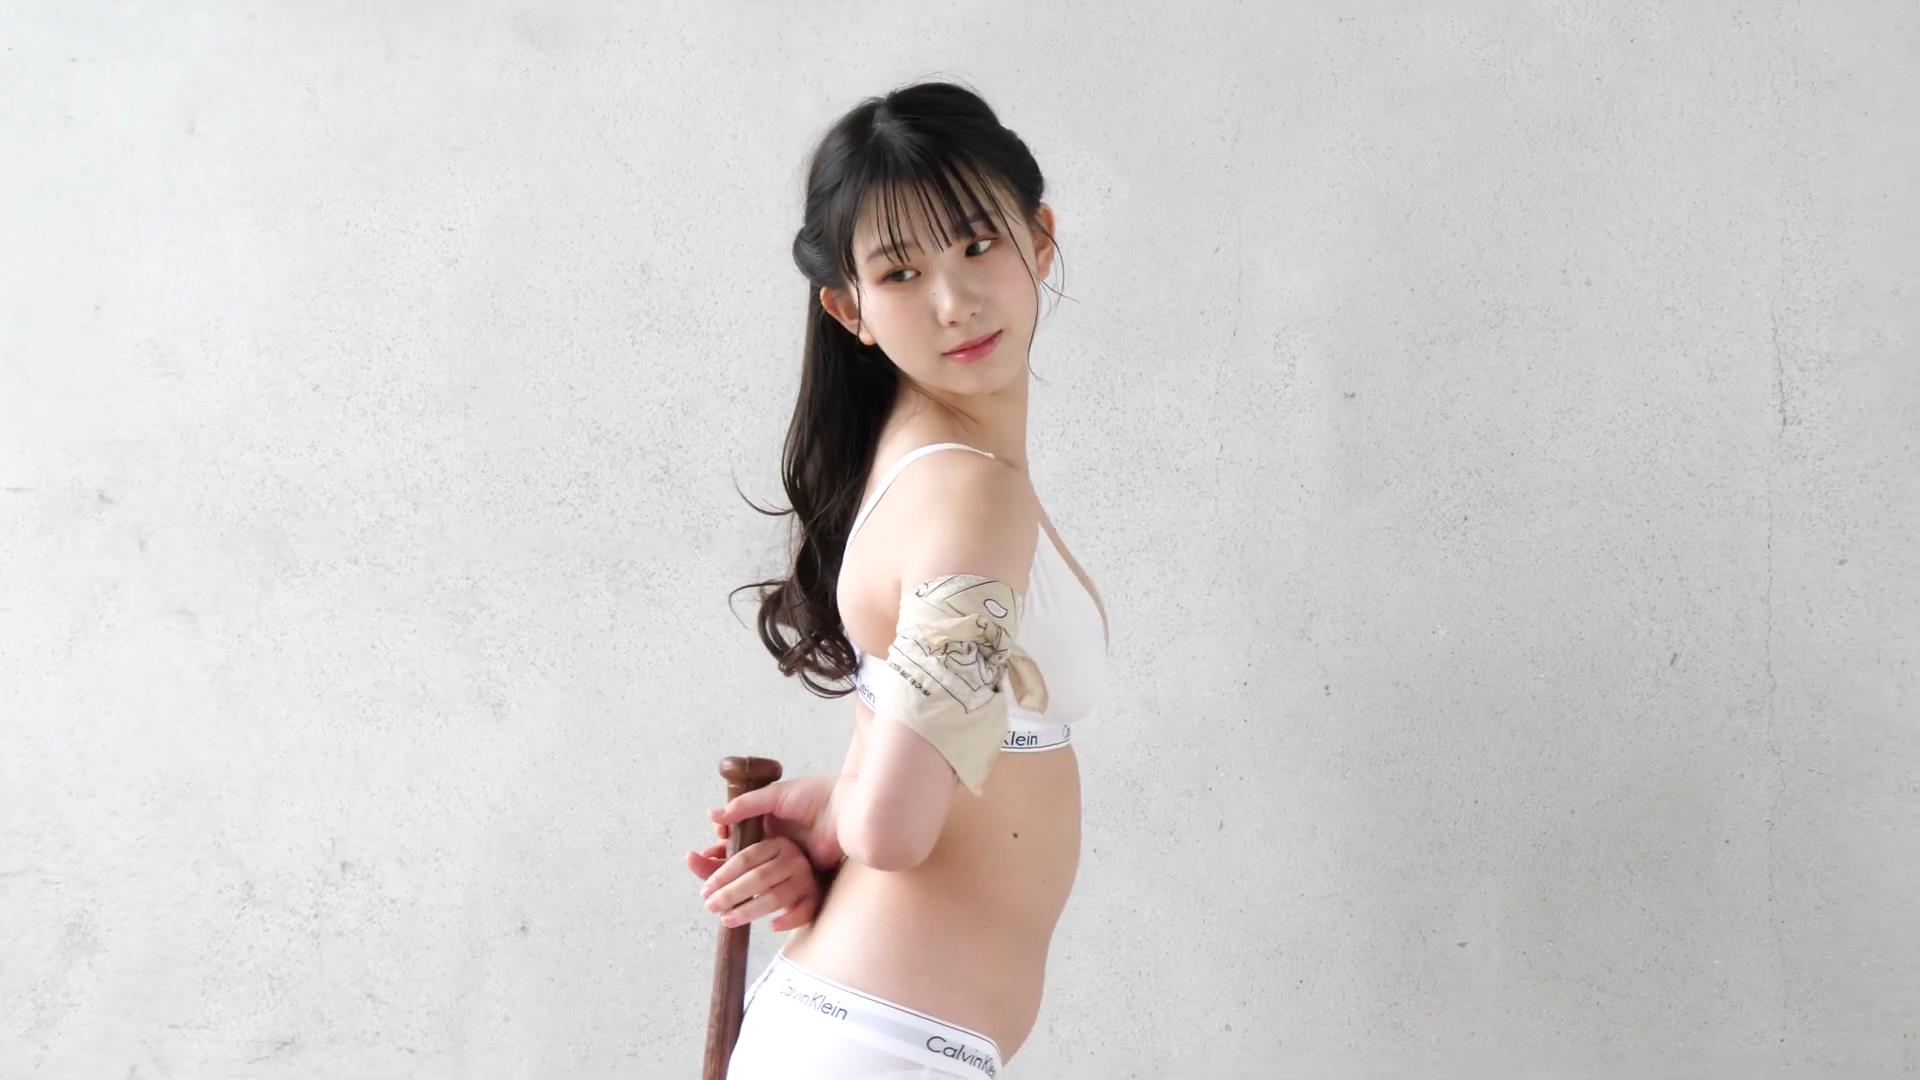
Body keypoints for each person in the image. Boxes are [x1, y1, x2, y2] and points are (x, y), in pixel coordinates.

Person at [684, 79, 1111, 1078]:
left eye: (978, 245)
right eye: (901, 272)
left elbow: (898, 776)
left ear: (1039, 239)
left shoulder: (918, 462)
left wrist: (833, 803)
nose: (954, 302)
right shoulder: (971, 492)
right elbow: (894, 828)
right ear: (851, 309)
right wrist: (847, 810)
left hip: (865, 1032)